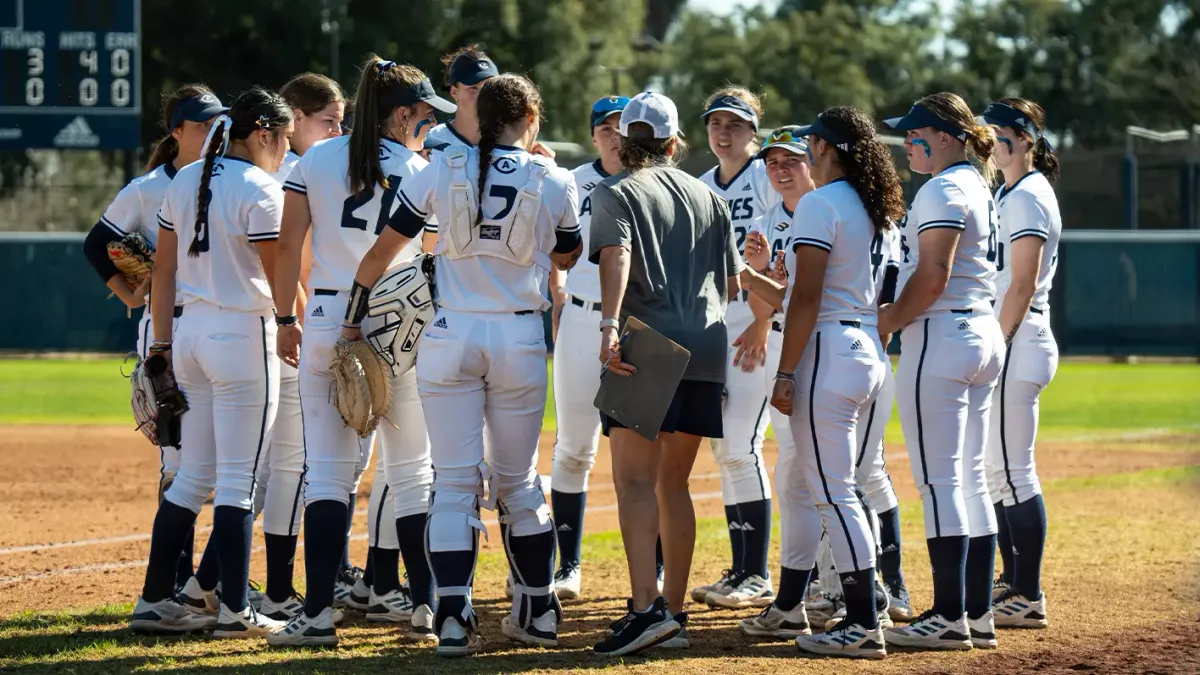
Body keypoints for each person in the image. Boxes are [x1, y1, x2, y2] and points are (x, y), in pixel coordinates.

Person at [335, 72, 581, 657]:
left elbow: (380, 253)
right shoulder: (556, 177)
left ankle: (450, 615)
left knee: (452, 483)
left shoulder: (436, 170)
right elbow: (568, 252)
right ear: (531, 118)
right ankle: (539, 610)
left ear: (478, 115)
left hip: (450, 333)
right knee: (519, 483)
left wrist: (350, 321)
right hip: (518, 335)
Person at [266, 57, 453, 648]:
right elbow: (434, 253)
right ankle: (426, 606)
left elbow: (286, 245)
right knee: (412, 468)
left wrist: (285, 318)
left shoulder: (314, 159)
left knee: (326, 470)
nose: (426, 127)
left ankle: (318, 614)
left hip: (326, 315)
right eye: (423, 117)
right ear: (401, 114)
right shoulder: (423, 169)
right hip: (404, 321)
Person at [738, 108, 906, 659]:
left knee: (832, 491)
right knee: (837, 486)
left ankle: (863, 618)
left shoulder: (820, 202)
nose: (805, 153)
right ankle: (825, 605)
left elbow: (806, 298)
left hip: (830, 349)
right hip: (867, 348)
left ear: (826, 147)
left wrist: (784, 373)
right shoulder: (872, 204)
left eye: (810, 143)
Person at [131, 87, 295, 637]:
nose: (285, 147)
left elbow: (162, 272)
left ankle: (154, 600)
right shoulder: (261, 188)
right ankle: (233, 610)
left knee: (193, 475)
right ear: (264, 134)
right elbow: (278, 278)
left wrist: (160, 344)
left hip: (189, 333)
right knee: (239, 481)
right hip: (243, 333)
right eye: (284, 137)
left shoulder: (185, 178)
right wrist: (292, 324)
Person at [589, 91, 743, 656]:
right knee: (673, 484)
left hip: (648, 344)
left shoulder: (616, 192)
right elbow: (729, 283)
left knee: (632, 481)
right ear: (675, 142)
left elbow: (616, 255)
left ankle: (644, 610)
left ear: (625, 141)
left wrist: (608, 325)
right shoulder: (709, 194)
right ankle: (674, 611)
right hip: (707, 342)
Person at [83, 84, 227, 599]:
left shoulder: (227, 178)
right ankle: (173, 580)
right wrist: (128, 293)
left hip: (215, 326)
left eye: (218, 123)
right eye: (202, 124)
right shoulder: (149, 188)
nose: (213, 132)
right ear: (176, 131)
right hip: (167, 328)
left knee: (218, 456)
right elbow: (97, 244)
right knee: (177, 458)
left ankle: (200, 582)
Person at [878, 93, 1006, 650]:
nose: (908, 142)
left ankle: (949, 614)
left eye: (917, 133)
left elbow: (931, 277)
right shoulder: (979, 186)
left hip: (942, 334)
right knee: (971, 478)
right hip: (980, 331)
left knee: (940, 480)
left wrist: (886, 321)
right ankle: (976, 613)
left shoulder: (946, 188)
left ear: (950, 136)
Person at [255, 71, 345, 621]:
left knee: (291, 464)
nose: (337, 131)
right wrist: (300, 315)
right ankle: (249, 583)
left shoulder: (313, 167)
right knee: (282, 464)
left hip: (294, 323)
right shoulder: (289, 173)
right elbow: (288, 259)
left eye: (341, 122)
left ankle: (278, 584)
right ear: (295, 116)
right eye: (327, 121)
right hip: (282, 327)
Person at [694, 86, 780, 608]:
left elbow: (782, 256)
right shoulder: (702, 185)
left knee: (743, 447)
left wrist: (765, 321)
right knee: (727, 450)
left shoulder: (769, 177)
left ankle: (758, 573)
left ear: (754, 131)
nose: (724, 133)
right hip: (717, 330)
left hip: (756, 328)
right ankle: (743, 570)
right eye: (716, 124)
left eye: (735, 124)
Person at [980, 97, 1061, 629]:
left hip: (1019, 332)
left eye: (1003, 132)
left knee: (1012, 470)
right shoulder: (1009, 192)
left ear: (1027, 138)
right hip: (1015, 331)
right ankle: (1013, 581)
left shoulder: (1028, 194)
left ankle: (1027, 593)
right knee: (995, 471)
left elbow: (1023, 280)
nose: (992, 141)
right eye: (988, 133)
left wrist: (999, 342)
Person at [547, 94, 629, 601]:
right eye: (606, 127)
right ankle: (567, 566)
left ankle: (656, 569)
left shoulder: (650, 182)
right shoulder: (573, 180)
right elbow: (551, 245)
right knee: (574, 447)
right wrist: (556, 288)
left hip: (638, 323)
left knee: (640, 454)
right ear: (593, 133)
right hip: (580, 318)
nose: (615, 135)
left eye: (624, 126)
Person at [424, 44, 499, 150]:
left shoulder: (512, 140)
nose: (484, 94)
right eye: (474, 87)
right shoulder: (431, 143)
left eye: (489, 86)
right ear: (454, 92)